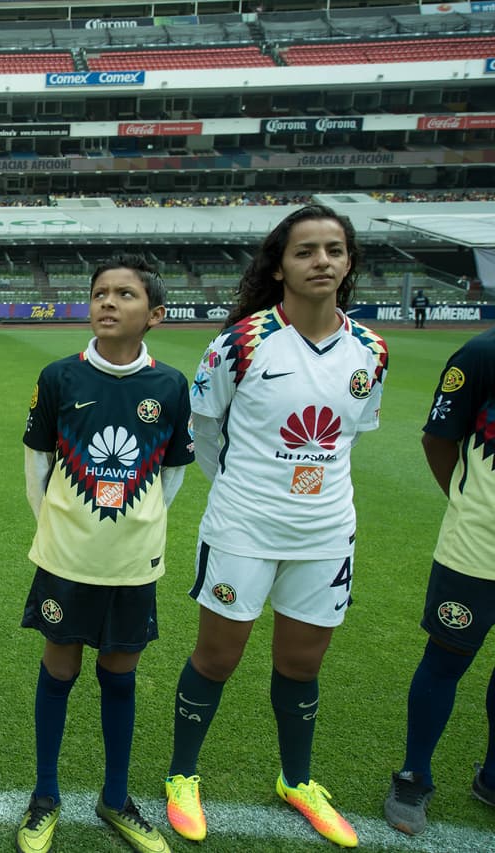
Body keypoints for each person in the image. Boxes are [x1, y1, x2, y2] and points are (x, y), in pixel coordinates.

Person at [163, 204, 387, 849]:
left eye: (334, 251)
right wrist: (244, 491)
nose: (322, 261)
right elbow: (206, 431)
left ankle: (298, 780)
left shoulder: (371, 349)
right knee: (218, 656)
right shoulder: (241, 341)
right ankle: (182, 775)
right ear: (280, 264)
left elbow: (349, 438)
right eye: (306, 251)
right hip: (244, 527)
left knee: (301, 661)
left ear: (349, 263)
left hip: (325, 533)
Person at [18, 256, 192, 853]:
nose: (108, 303)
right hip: (66, 560)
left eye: (124, 294)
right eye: (99, 293)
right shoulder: (60, 376)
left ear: (155, 315)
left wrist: (136, 529)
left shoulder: (169, 385)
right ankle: (45, 796)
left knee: (121, 673)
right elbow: (37, 465)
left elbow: (171, 476)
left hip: (132, 562)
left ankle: (115, 798)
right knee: (59, 668)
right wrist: (61, 530)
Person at [383, 327, 495, 835]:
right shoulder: (482, 353)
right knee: (447, 658)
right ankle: (414, 776)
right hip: (477, 548)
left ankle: (492, 778)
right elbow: (438, 438)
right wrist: (468, 502)